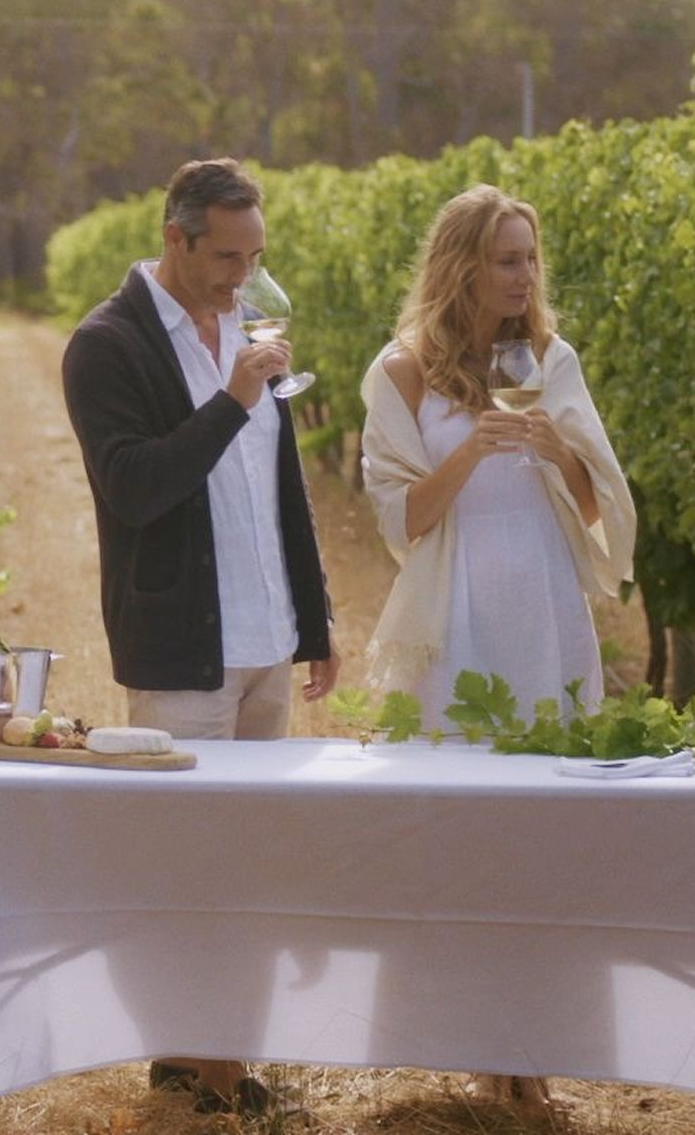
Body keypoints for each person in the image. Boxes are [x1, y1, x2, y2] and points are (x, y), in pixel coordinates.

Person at [62, 156, 340, 1115]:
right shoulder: (107, 345)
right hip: (184, 648)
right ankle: (196, 1060)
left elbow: (280, 490)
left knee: (255, 857)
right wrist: (229, 398)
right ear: (173, 238)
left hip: (267, 639)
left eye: (256, 255)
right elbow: (135, 487)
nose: (242, 275)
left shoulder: (249, 328)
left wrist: (315, 617)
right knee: (186, 861)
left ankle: (216, 1052)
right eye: (226, 256)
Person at [360, 182, 635, 1111]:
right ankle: (474, 1046)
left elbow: (600, 506)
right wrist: (470, 451)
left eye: (530, 258)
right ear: (462, 265)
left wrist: (558, 450)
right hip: (458, 613)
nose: (524, 276)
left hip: (544, 612)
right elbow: (400, 520)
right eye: (506, 258)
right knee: (462, 827)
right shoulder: (398, 372)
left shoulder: (548, 358)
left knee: (548, 830)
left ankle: (538, 1050)